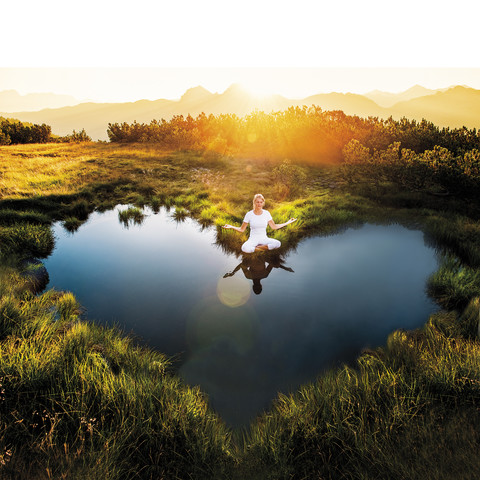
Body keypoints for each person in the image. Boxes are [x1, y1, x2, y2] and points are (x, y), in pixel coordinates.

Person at [222, 193, 297, 253]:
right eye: (257, 202)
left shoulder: (266, 213)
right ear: (254, 202)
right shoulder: (249, 214)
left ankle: (256, 249)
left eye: (261, 202)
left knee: (278, 243)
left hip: (264, 239)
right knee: (244, 248)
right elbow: (242, 229)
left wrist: (287, 222)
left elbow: (274, 227)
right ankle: (263, 248)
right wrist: (231, 226)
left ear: (263, 203)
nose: (259, 204)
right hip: (253, 239)